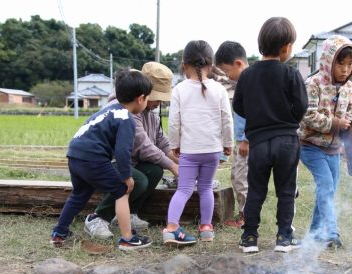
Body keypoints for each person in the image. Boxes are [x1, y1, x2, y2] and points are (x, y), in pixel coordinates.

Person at [50, 69, 153, 251]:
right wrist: (126, 176)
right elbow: (122, 151)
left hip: (74, 155)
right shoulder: (126, 118)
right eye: (147, 99)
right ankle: (128, 239)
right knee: (121, 191)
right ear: (140, 98)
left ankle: (59, 233)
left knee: (80, 194)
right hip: (93, 158)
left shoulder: (107, 111)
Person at [232, 17, 308, 253]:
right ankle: (284, 237)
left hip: (259, 142)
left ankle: (250, 237)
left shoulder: (247, 75)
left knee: (256, 189)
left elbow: (238, 106)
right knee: (286, 189)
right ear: (286, 47)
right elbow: (302, 106)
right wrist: (288, 120)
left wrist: (257, 119)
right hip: (286, 141)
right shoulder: (290, 74)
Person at [84, 62, 180, 239]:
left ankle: (130, 213)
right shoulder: (124, 110)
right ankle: (98, 217)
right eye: (157, 98)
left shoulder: (149, 111)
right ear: (143, 94)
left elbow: (161, 141)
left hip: (126, 162)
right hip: (106, 162)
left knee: (154, 170)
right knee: (138, 179)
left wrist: (179, 161)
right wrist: (173, 167)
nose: (159, 103)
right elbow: (144, 146)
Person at [163, 40, 233, 245]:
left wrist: (174, 144)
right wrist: (227, 144)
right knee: (205, 188)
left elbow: (174, 122)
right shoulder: (219, 89)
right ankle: (206, 228)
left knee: (184, 189)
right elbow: (227, 119)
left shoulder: (179, 90)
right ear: (210, 65)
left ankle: (171, 227)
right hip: (212, 150)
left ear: (184, 65)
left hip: (189, 150)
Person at [298, 35, 352, 249]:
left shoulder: (350, 88)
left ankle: (315, 234)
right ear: (328, 62)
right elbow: (307, 114)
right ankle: (332, 234)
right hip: (310, 146)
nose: (345, 69)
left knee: (328, 190)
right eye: (340, 64)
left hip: (334, 149)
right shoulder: (313, 84)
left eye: (350, 65)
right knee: (325, 186)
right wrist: (334, 123)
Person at [214, 41, 249, 228]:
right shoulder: (244, 83)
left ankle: (246, 215)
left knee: (241, 177)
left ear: (238, 64)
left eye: (228, 72)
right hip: (242, 141)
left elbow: (254, 114)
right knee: (238, 175)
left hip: (247, 142)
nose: (228, 76)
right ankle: (246, 212)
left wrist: (246, 140)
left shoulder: (250, 83)